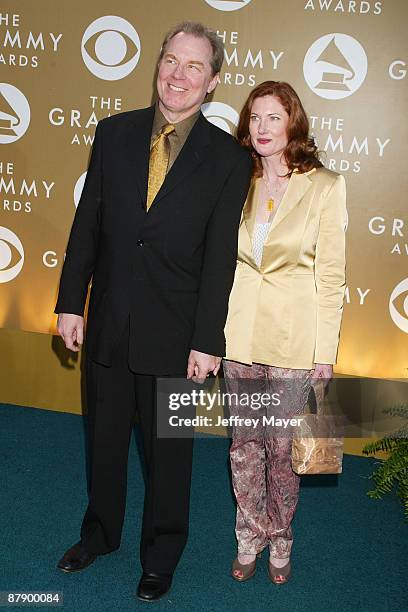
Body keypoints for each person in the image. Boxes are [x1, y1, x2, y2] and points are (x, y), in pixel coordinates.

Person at [55, 21, 252, 601]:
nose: (178, 75)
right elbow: (86, 225)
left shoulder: (226, 158)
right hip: (111, 322)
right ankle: (99, 534)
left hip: (178, 334)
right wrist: (72, 303)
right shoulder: (113, 133)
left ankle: (161, 554)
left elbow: (221, 260)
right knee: (105, 442)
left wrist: (207, 339)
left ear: (212, 81)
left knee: (171, 457)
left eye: (194, 66)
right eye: (171, 60)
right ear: (158, 65)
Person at [223, 81, 347, 585]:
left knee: (283, 449)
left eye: (274, 117)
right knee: (243, 444)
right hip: (238, 332)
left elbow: (332, 276)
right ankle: (248, 535)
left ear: (293, 122)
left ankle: (281, 538)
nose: (262, 128)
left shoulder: (325, 185)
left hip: (295, 340)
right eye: (254, 118)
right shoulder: (237, 178)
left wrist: (325, 350)